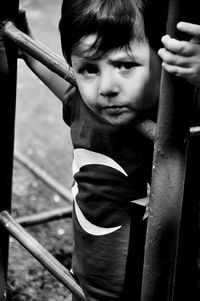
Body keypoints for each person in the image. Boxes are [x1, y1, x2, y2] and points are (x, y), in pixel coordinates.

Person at [16, 0, 200, 300]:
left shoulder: (176, 117)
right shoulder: (85, 107)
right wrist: (28, 48)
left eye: (125, 65)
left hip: (152, 290)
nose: (106, 87)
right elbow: (62, 84)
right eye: (89, 69)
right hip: (87, 281)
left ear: (165, 57)